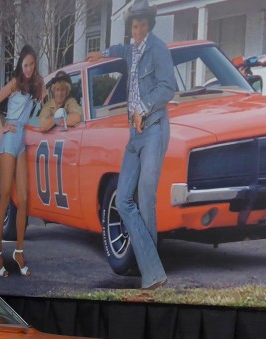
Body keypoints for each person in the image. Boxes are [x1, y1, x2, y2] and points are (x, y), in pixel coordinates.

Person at [88, 1, 175, 290]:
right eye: (133, 26)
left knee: (146, 197)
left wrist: (144, 108)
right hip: (134, 136)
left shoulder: (158, 49)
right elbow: (119, 50)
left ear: (149, 23)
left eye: (141, 25)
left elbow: (168, 87)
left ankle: (151, 274)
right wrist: (100, 53)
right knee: (124, 199)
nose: (136, 31)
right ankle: (154, 269)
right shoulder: (132, 50)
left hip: (153, 129)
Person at [0, 45, 43, 277]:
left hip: (22, 142)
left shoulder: (36, 85)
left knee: (24, 200)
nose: (28, 69)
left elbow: (42, 109)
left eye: (31, 64)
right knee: (6, 197)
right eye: (25, 65)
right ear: (21, 65)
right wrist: (2, 127)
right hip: (10, 140)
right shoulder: (14, 83)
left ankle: (19, 252)